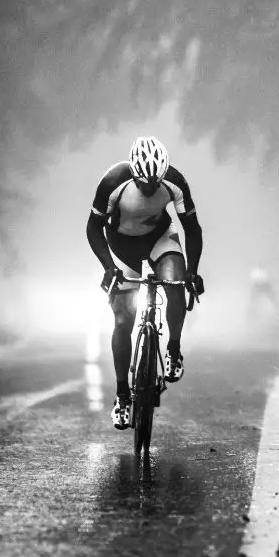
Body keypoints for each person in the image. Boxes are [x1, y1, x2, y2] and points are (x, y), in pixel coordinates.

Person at [86, 136, 205, 430]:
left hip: (160, 239)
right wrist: (109, 267)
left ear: (164, 173)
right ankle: (123, 396)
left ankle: (173, 349)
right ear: (134, 174)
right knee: (123, 320)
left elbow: (192, 228)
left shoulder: (175, 182)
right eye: (144, 184)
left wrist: (193, 271)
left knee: (175, 284)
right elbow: (92, 228)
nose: (151, 189)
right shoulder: (113, 182)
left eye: (156, 183)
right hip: (122, 245)